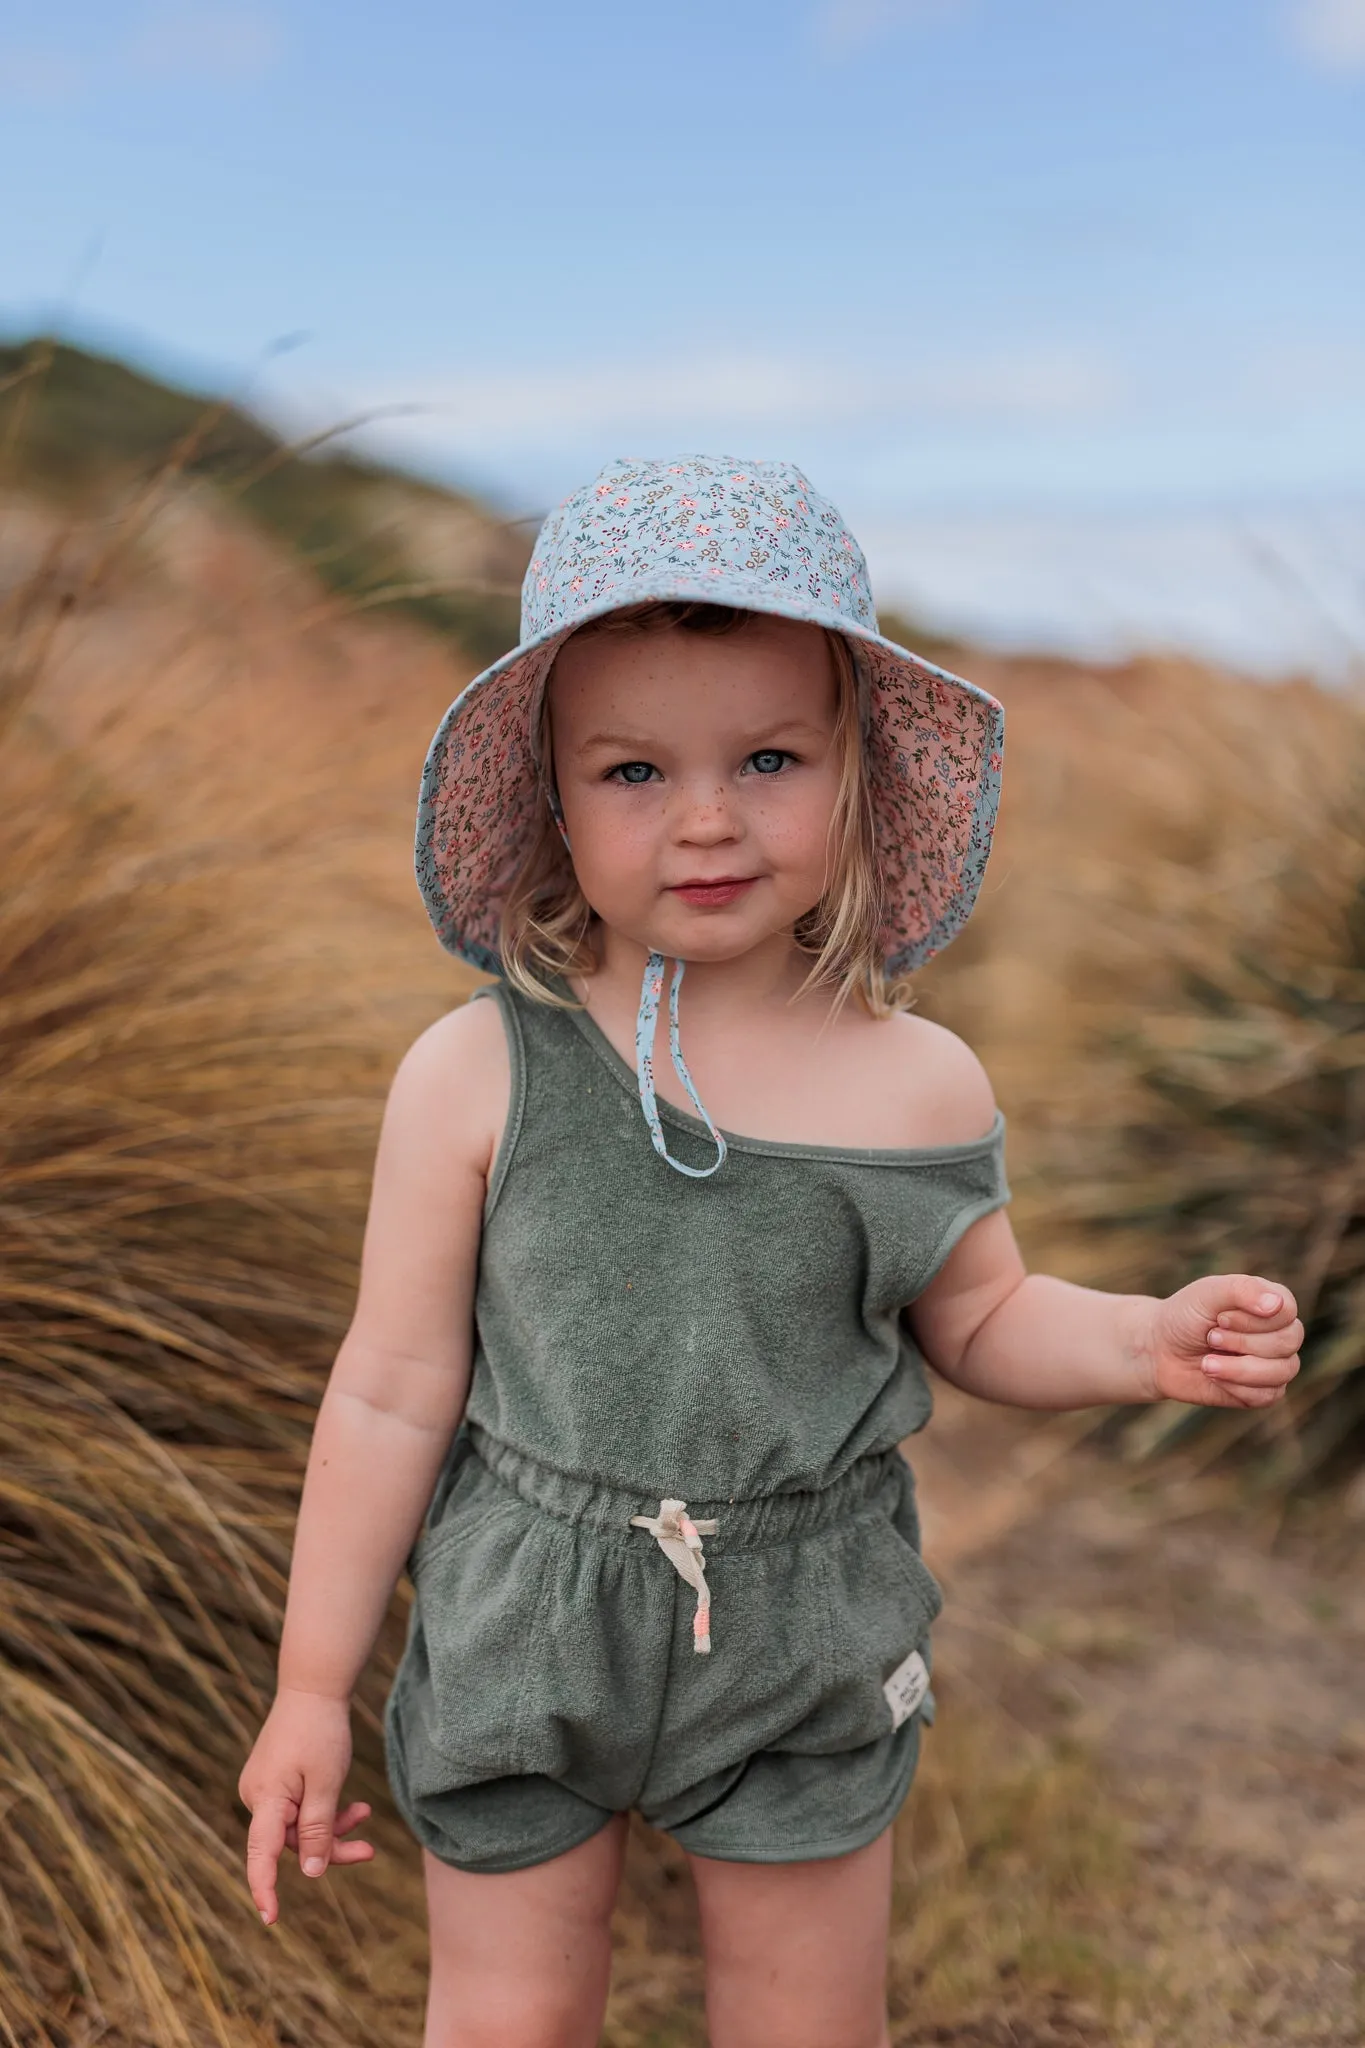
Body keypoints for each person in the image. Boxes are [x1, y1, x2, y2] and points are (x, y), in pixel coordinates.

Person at [238, 456, 1302, 2048]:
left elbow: (985, 1314)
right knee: (506, 2017)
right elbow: (393, 1390)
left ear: (854, 773)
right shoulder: (475, 1072)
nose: (711, 818)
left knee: (809, 2022)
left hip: (804, 1625)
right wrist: (313, 1684)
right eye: (634, 772)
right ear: (549, 796)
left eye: (768, 757)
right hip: (527, 1610)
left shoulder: (913, 1079)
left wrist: (1142, 1341)